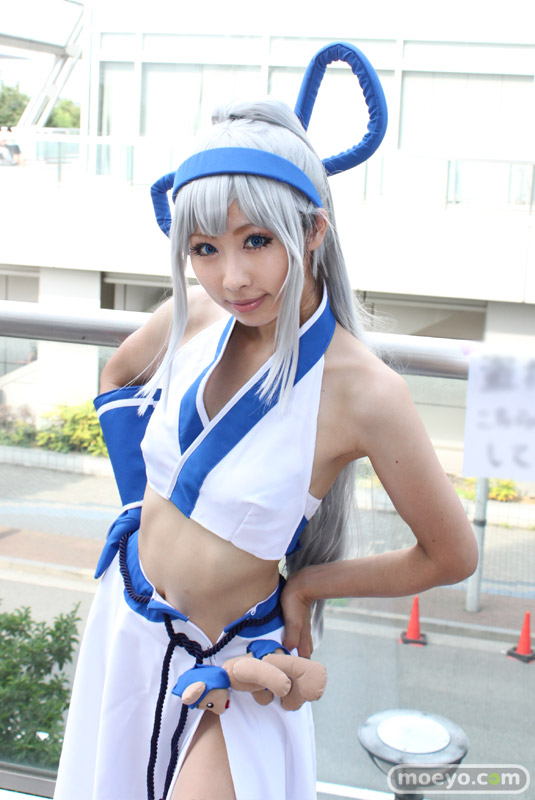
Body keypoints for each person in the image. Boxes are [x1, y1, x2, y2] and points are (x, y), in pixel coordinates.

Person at [54, 98, 477, 800]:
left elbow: (451, 555)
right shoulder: (194, 314)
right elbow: (118, 377)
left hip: (234, 662)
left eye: (255, 241)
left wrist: (308, 585)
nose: (232, 278)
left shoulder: (364, 391)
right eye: (204, 249)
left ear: (312, 231)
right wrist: (138, 506)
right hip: (127, 619)